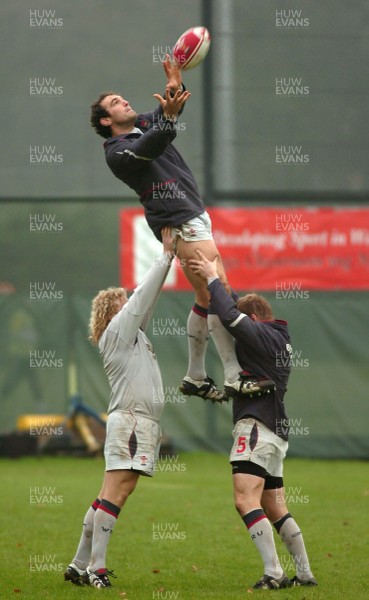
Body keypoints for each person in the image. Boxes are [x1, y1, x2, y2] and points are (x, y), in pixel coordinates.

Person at [89, 55, 266, 403]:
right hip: (179, 221)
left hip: (191, 214)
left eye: (121, 97)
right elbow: (152, 144)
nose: (124, 100)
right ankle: (234, 375)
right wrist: (167, 117)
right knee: (220, 292)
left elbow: (166, 117)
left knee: (206, 297)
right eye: (114, 103)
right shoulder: (117, 151)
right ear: (107, 120)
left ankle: (196, 376)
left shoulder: (140, 124)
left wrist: (176, 85)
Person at [190, 249, 317, 590]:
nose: (238, 336)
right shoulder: (276, 337)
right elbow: (232, 308)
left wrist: (212, 278)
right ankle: (304, 574)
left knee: (244, 498)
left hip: (257, 425)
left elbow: (231, 317)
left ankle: (273, 573)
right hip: (275, 430)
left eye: (245, 325)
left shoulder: (262, 336)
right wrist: (218, 276)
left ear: (255, 320)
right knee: (274, 505)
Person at [64, 228, 176, 588]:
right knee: (117, 493)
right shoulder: (116, 333)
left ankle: (78, 565)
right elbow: (142, 298)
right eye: (123, 302)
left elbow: (148, 299)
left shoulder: (134, 333)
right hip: (130, 422)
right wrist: (165, 255)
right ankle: (96, 569)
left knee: (109, 495)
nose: (130, 304)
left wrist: (168, 259)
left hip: (139, 422)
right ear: (113, 313)